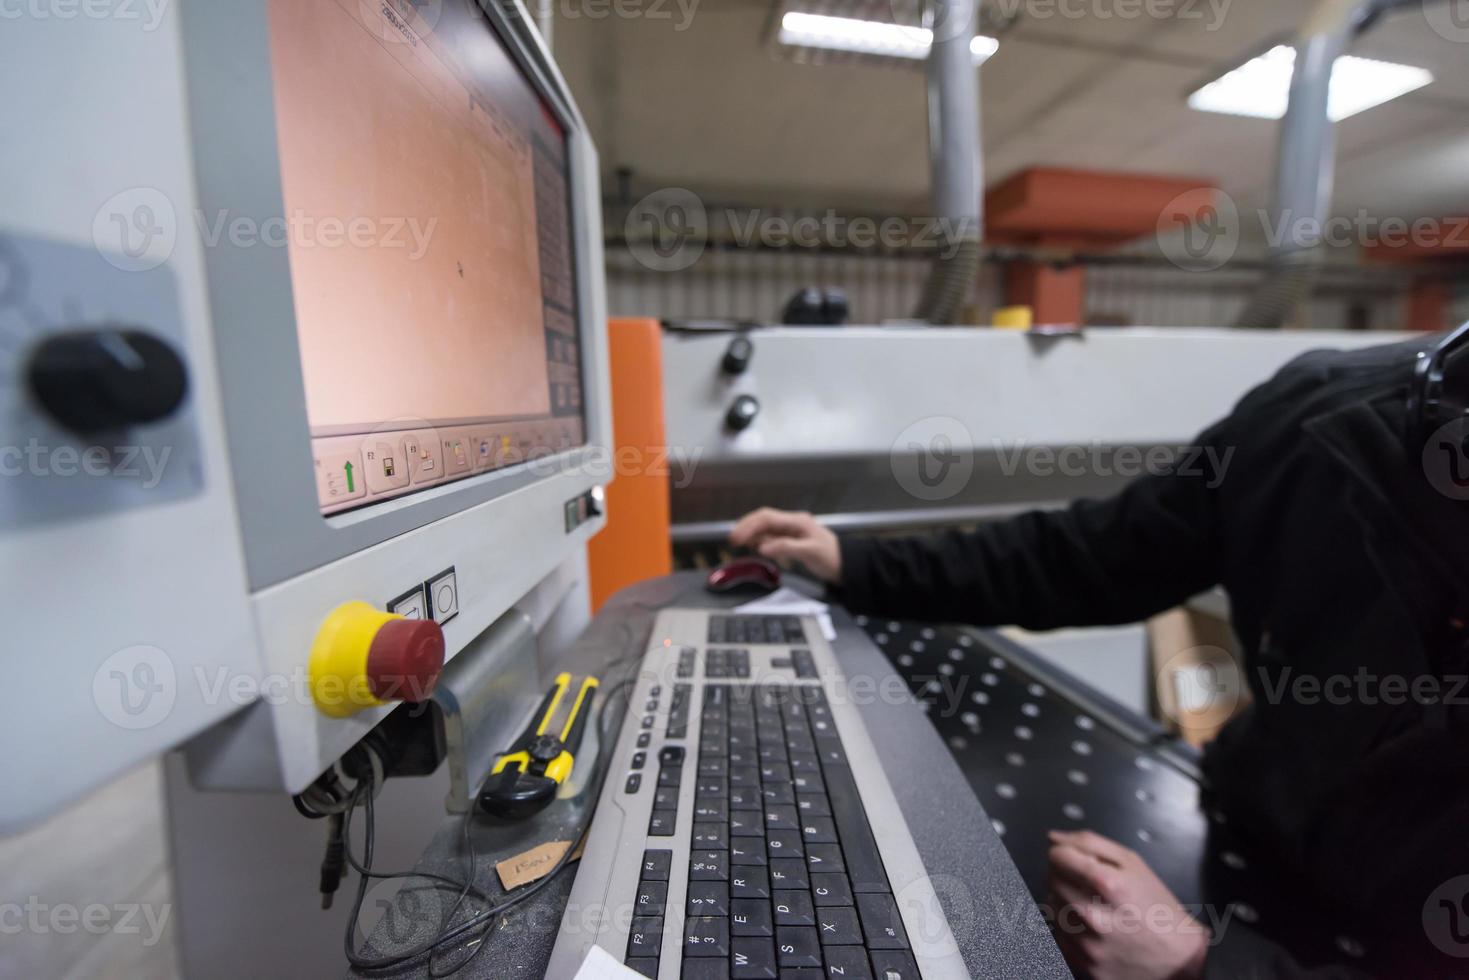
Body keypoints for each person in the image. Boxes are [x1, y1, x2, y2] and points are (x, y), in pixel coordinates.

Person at [728, 334, 1469, 979]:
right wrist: (855, 564)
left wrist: (1202, 966)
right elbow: (1091, 556)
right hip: (1253, 835)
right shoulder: (1318, 418)